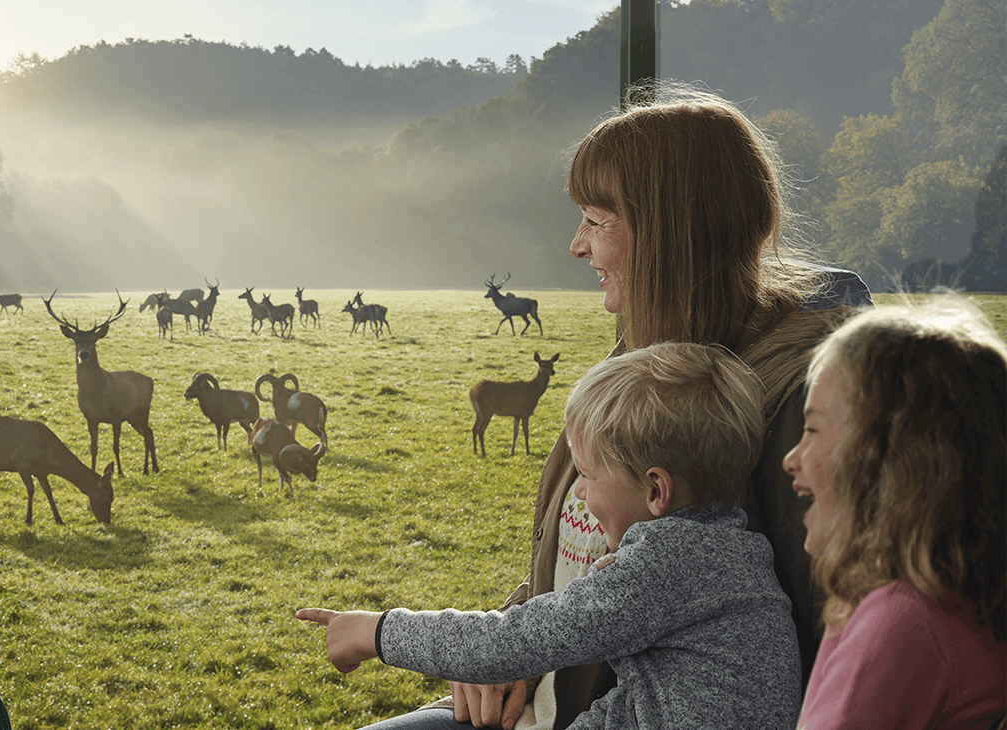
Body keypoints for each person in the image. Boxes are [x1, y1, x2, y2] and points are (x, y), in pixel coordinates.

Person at [343, 83, 869, 730]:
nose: (576, 246)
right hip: (548, 690)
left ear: (672, 233)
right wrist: (507, 645)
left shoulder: (793, 406)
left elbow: (829, 633)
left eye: (596, 221)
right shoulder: (643, 356)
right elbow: (576, 564)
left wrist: (492, 644)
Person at [298, 342, 803, 729]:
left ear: (655, 489)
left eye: (586, 474)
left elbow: (503, 645)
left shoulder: (669, 565)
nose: (578, 493)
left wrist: (375, 630)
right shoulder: (734, 551)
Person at [782, 298, 1006, 729]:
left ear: (890, 462)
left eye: (811, 430)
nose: (792, 458)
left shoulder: (903, 619)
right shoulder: (959, 601)